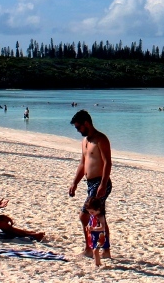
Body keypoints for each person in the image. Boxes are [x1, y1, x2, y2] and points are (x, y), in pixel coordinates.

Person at [69, 110, 112, 260]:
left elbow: (107, 163)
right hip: (90, 183)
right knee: (98, 216)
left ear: (86, 123)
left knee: (85, 215)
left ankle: (93, 249)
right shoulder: (85, 141)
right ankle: (100, 249)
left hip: (101, 182)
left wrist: (103, 184)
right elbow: (83, 164)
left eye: (78, 127)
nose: (78, 130)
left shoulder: (101, 139)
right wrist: (75, 182)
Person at [84, 194, 107, 267]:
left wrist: (93, 228)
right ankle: (98, 263)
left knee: (95, 250)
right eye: (89, 212)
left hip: (100, 236)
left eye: (92, 212)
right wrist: (88, 226)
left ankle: (97, 264)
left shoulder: (100, 217)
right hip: (94, 235)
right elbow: (90, 223)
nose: (90, 213)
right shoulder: (93, 215)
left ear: (98, 209)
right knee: (94, 249)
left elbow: (103, 227)